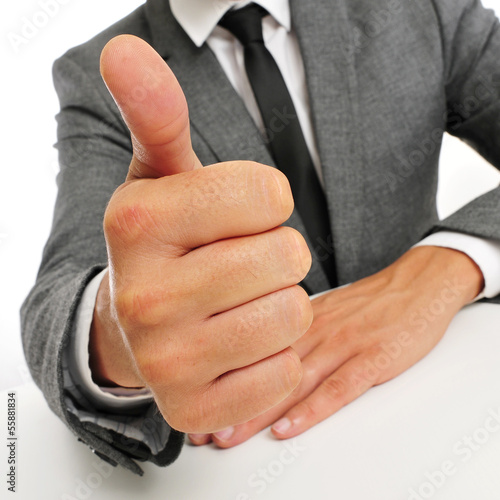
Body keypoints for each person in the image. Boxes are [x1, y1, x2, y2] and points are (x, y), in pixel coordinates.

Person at [21, 0, 500, 476]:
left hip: (451, 408)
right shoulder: (97, 76)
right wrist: (119, 335)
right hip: (264, 465)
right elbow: (55, 301)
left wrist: (446, 265)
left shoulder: (422, 7)